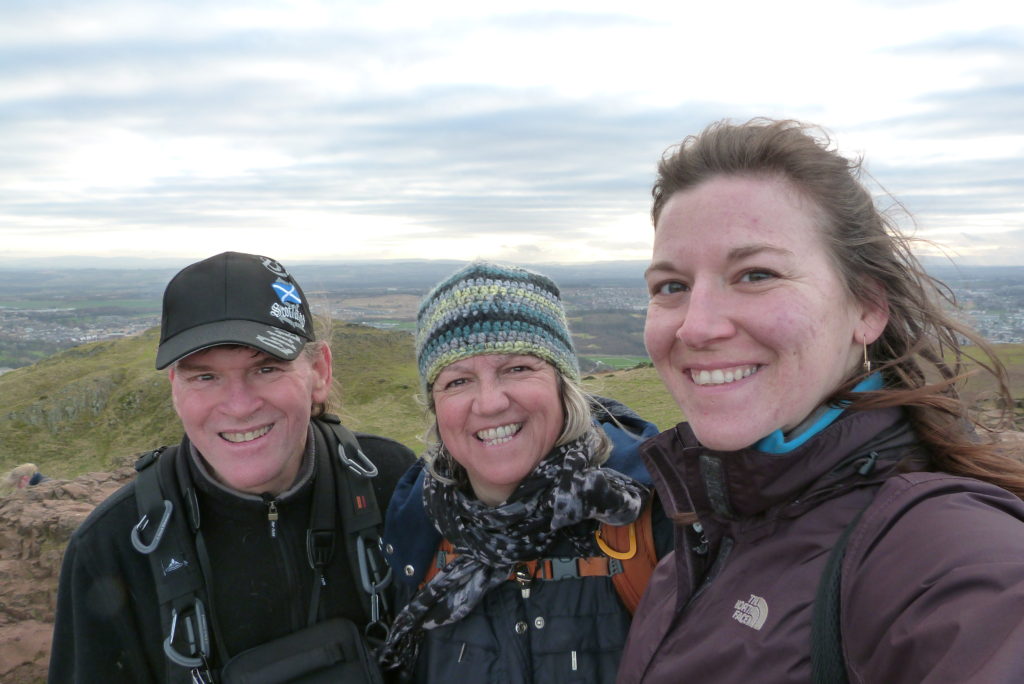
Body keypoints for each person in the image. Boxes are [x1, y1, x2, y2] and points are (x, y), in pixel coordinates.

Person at [618, 118, 1024, 683]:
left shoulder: (944, 554)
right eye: (671, 286)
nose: (696, 327)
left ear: (866, 308)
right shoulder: (704, 534)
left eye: (755, 274)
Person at [49, 251, 415, 683]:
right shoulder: (113, 548)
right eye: (204, 377)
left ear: (319, 372)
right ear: (175, 390)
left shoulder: (393, 482)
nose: (239, 406)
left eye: (266, 368)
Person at [378, 262, 668, 683]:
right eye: (458, 381)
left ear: (562, 385)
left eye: (517, 368)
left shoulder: (649, 515)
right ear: (435, 407)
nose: (490, 402)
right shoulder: (414, 532)